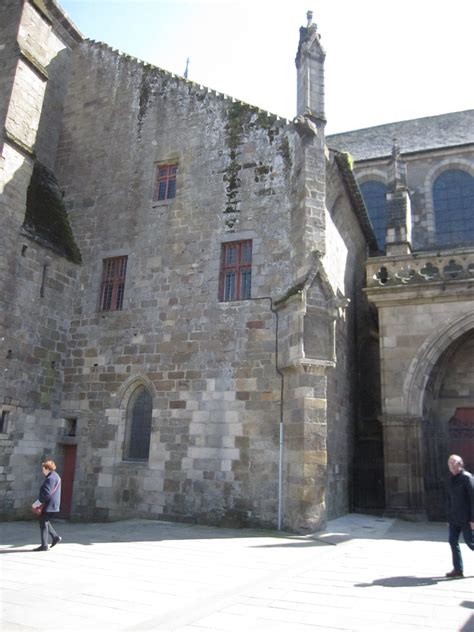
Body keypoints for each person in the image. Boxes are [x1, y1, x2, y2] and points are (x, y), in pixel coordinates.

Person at [445, 454, 474, 578]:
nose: (451, 465)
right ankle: (458, 569)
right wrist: (448, 516)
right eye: (449, 463)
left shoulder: (467, 478)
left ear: (460, 464)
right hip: (454, 517)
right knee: (452, 541)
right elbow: (450, 499)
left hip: (466, 518)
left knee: (471, 543)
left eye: (454, 463)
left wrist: (473, 519)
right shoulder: (451, 478)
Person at [33, 460, 62, 552]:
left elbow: (46, 494)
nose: (42, 471)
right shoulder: (56, 476)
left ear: (47, 469)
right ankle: (55, 537)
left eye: (43, 469)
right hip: (53, 504)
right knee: (44, 520)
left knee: (43, 522)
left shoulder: (50, 478)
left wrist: (37, 503)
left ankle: (45, 545)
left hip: (49, 504)